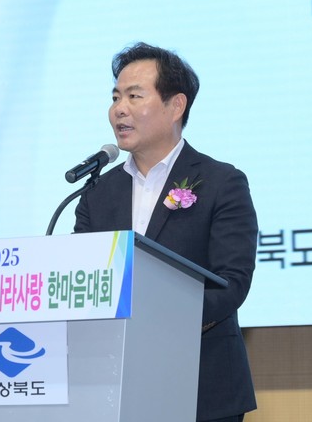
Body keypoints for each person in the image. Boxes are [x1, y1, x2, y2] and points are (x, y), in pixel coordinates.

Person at [73, 42, 258, 421]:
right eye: (115, 97)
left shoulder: (221, 182)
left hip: (202, 386)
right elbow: (84, 281)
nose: (119, 109)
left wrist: (158, 322)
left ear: (176, 106)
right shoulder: (98, 193)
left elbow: (232, 283)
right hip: (114, 388)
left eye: (134, 96)